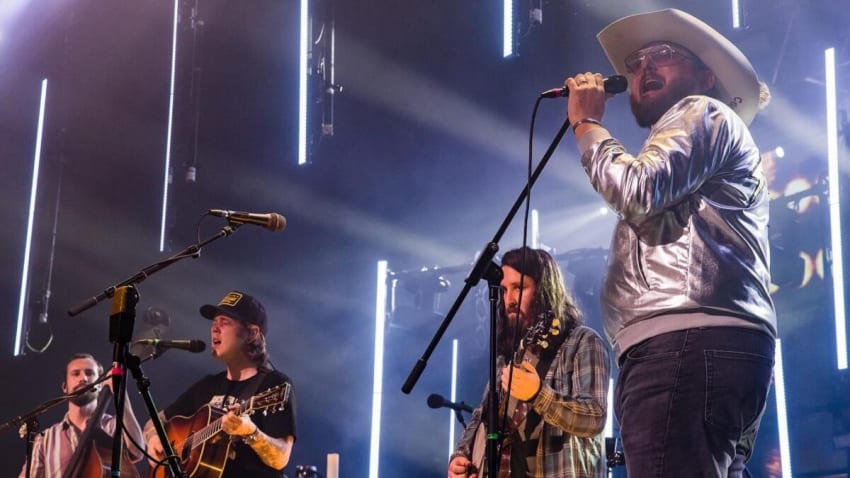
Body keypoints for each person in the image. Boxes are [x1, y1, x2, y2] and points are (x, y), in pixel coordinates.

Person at [564, 8, 777, 477]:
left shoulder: (702, 111)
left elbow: (636, 190)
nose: (643, 70)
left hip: (683, 344)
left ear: (706, 74)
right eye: (635, 63)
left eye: (663, 55)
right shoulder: (699, 133)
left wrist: (586, 126)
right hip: (706, 346)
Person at [448, 247, 611, 478]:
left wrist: (538, 394)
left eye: (519, 288)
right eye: (504, 290)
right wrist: (461, 455)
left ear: (544, 290)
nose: (509, 300)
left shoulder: (583, 342)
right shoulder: (509, 357)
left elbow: (594, 417)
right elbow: (482, 415)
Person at [143, 290, 296, 477]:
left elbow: (281, 458)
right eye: (214, 323)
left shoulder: (274, 385)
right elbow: (155, 421)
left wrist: (251, 432)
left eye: (225, 322)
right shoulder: (207, 385)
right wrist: (154, 438)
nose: (215, 328)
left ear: (252, 334)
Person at [19, 353, 146, 478]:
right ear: (64, 387)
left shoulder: (114, 426)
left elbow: (137, 452)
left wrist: (121, 395)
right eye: (76, 374)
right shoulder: (45, 439)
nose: (83, 378)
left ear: (101, 384)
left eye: (89, 373)